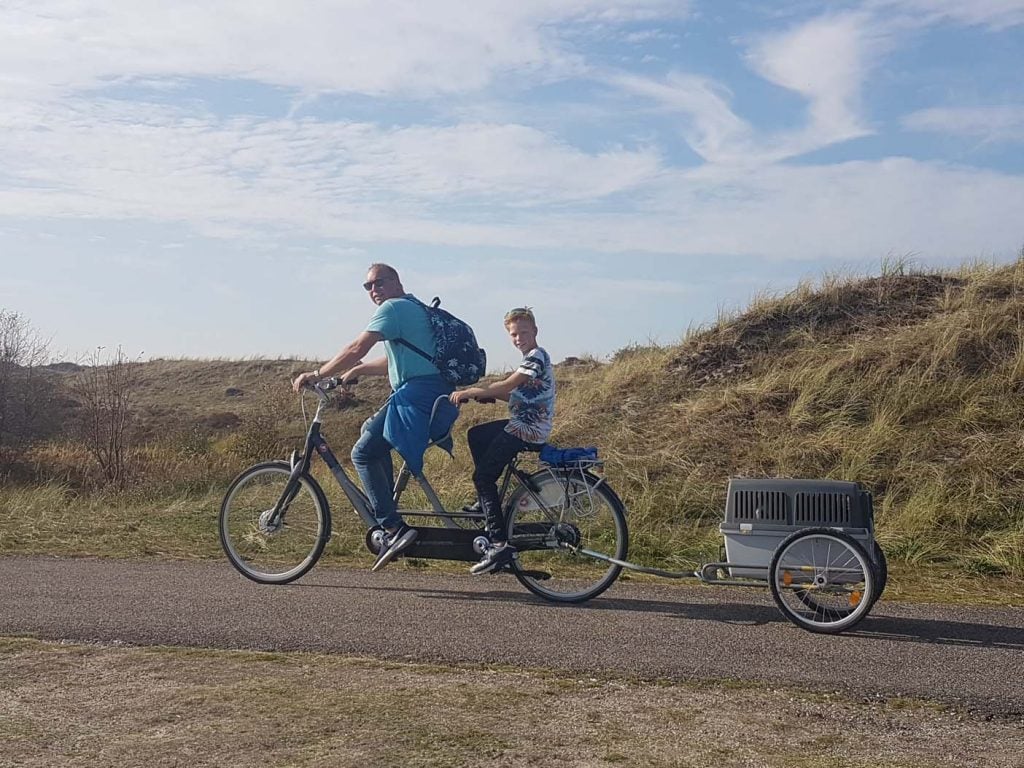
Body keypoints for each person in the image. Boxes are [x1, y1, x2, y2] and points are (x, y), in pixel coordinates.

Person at [292, 263, 458, 571]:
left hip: (418, 396)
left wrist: (317, 374)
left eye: (379, 282)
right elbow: (397, 360)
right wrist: (356, 372)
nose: (373, 290)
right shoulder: (412, 307)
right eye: (367, 286)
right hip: (431, 393)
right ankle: (389, 509)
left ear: (396, 282)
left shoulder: (393, 308)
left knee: (362, 453)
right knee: (370, 429)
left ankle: (393, 529)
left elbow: (357, 347)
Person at [449, 307, 556, 574]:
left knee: (483, 478)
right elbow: (518, 396)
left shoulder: (536, 357)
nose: (518, 338)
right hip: (524, 422)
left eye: (523, 332)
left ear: (535, 331)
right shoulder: (531, 359)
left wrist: (474, 390)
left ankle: (498, 545)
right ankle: (486, 501)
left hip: (528, 429)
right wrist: (487, 396)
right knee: (477, 435)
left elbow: (511, 384)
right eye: (513, 334)